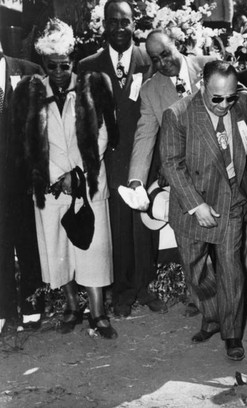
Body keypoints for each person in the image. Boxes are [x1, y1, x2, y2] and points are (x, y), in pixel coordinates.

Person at [12, 19, 118, 338]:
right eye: (52, 65)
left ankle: (98, 314)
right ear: (44, 63)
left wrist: (77, 174)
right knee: (60, 249)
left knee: (92, 248)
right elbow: (27, 139)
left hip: (87, 181)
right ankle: (72, 307)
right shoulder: (30, 92)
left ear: (72, 60)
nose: (59, 72)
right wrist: (56, 176)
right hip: (49, 185)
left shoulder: (92, 86)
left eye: (65, 64)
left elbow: (104, 134)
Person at [161, 60, 247, 361]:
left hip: (231, 198)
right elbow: (171, 163)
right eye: (216, 98)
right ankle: (211, 315)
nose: (224, 105)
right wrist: (195, 204)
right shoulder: (178, 114)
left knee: (231, 269)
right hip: (193, 202)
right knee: (195, 269)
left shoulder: (241, 103)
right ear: (202, 86)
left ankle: (232, 333)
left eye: (230, 97)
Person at [78, 0, 167, 318]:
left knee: (145, 225)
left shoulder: (150, 61)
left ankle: (145, 286)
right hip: (111, 160)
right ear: (104, 24)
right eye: (112, 21)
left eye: (125, 21)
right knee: (118, 227)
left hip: (146, 156)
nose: (119, 27)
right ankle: (123, 292)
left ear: (134, 24)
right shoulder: (88, 65)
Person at [127, 29, 216, 191]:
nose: (163, 63)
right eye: (156, 59)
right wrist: (136, 180)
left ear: (177, 45)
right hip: (185, 179)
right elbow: (144, 136)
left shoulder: (210, 66)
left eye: (165, 54)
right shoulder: (150, 90)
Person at [0, 41, 44, 335]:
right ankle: (3, 310)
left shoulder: (29, 72)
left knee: (28, 242)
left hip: (23, 178)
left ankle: (32, 305)